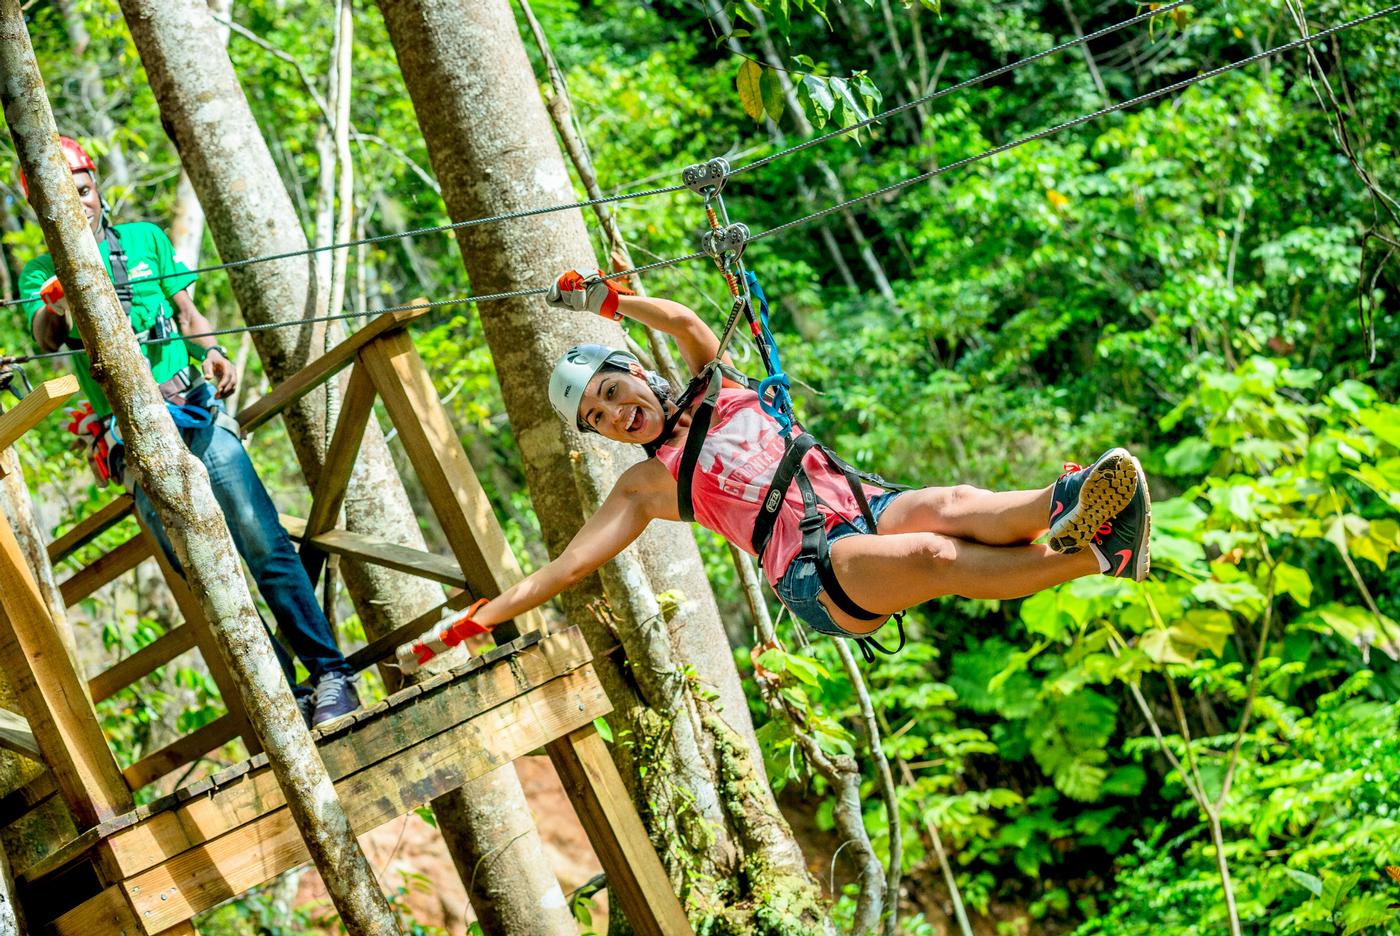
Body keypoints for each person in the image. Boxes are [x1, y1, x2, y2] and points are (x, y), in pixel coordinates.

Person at [398, 269, 1151, 672]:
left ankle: (1077, 498)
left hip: (857, 502)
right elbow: (565, 568)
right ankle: (1097, 555)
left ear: (634, 374)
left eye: (611, 392)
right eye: (596, 419)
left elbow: (690, 326)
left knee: (954, 501)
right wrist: (475, 621)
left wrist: (612, 301)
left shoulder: (715, 387)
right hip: (816, 573)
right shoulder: (644, 486)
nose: (614, 414)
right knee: (935, 555)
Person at [17, 136, 359, 727]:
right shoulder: (42, 272)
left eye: (85, 191)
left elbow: (189, 314)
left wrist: (215, 352)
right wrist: (59, 302)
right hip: (132, 441)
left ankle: (331, 674)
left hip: (193, 415)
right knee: (197, 569)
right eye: (64, 200)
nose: (82, 206)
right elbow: (48, 335)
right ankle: (285, 692)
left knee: (263, 541)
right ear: (42, 210)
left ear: (96, 185)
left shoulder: (145, 241)